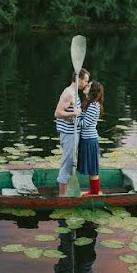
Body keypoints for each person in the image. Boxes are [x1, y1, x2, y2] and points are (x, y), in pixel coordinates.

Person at [54, 67, 89, 195]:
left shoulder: (74, 93)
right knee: (67, 163)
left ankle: (68, 192)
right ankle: (62, 196)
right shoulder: (68, 93)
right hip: (68, 134)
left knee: (72, 163)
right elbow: (57, 113)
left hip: (73, 133)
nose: (86, 84)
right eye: (85, 81)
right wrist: (74, 113)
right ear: (78, 79)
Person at [77, 80, 104, 195]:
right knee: (91, 168)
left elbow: (84, 123)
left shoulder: (93, 105)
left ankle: (94, 193)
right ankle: (93, 192)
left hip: (90, 140)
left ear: (92, 90)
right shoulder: (89, 103)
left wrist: (71, 118)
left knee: (93, 169)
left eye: (88, 85)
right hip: (85, 139)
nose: (85, 86)